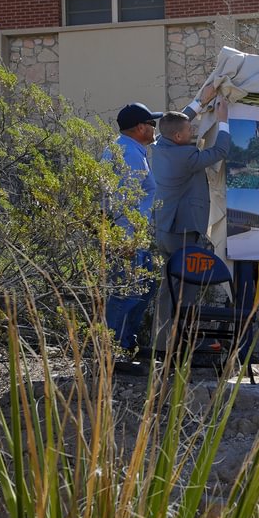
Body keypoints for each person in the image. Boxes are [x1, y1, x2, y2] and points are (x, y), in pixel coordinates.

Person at [150, 88, 232, 344]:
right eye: (188, 131)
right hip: (181, 229)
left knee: (168, 288)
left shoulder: (161, 145)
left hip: (165, 227)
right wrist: (223, 121)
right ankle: (175, 343)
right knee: (185, 288)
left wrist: (199, 103)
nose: (193, 132)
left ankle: (162, 342)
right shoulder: (185, 156)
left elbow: (175, 123)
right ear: (177, 137)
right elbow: (219, 152)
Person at [103, 101, 162, 363]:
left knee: (145, 286)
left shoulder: (130, 149)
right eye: (152, 124)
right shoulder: (129, 153)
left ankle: (125, 344)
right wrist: (127, 239)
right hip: (127, 236)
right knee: (124, 292)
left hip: (132, 236)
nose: (154, 129)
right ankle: (112, 349)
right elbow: (124, 199)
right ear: (140, 128)